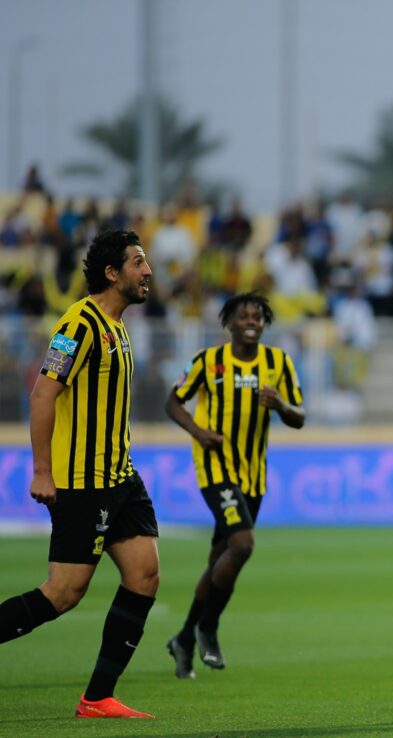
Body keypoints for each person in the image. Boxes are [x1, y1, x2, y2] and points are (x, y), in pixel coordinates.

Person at [0, 229, 159, 719]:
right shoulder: (79, 324)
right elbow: (42, 394)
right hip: (83, 482)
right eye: (137, 262)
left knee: (145, 574)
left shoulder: (118, 326)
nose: (148, 271)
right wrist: (42, 471)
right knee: (63, 593)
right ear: (112, 273)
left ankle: (97, 698)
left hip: (121, 477)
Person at [165, 292, 305, 678]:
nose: (251, 321)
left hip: (253, 476)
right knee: (242, 544)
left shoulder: (278, 363)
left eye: (258, 316)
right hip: (215, 468)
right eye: (243, 315)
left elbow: (299, 416)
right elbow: (173, 403)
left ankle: (184, 639)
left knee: (219, 559)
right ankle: (207, 628)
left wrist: (280, 406)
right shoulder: (208, 361)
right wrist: (199, 432)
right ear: (228, 323)